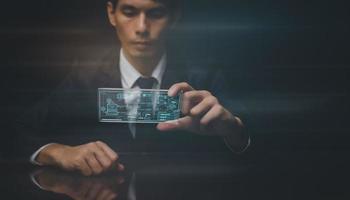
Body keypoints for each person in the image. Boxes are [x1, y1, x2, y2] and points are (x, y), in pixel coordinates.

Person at [16, 0, 249, 176]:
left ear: (174, 16)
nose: (141, 27)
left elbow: (264, 147)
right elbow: (16, 131)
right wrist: (56, 152)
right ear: (111, 13)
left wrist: (234, 131)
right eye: (129, 12)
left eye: (155, 13)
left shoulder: (204, 76)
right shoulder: (84, 78)